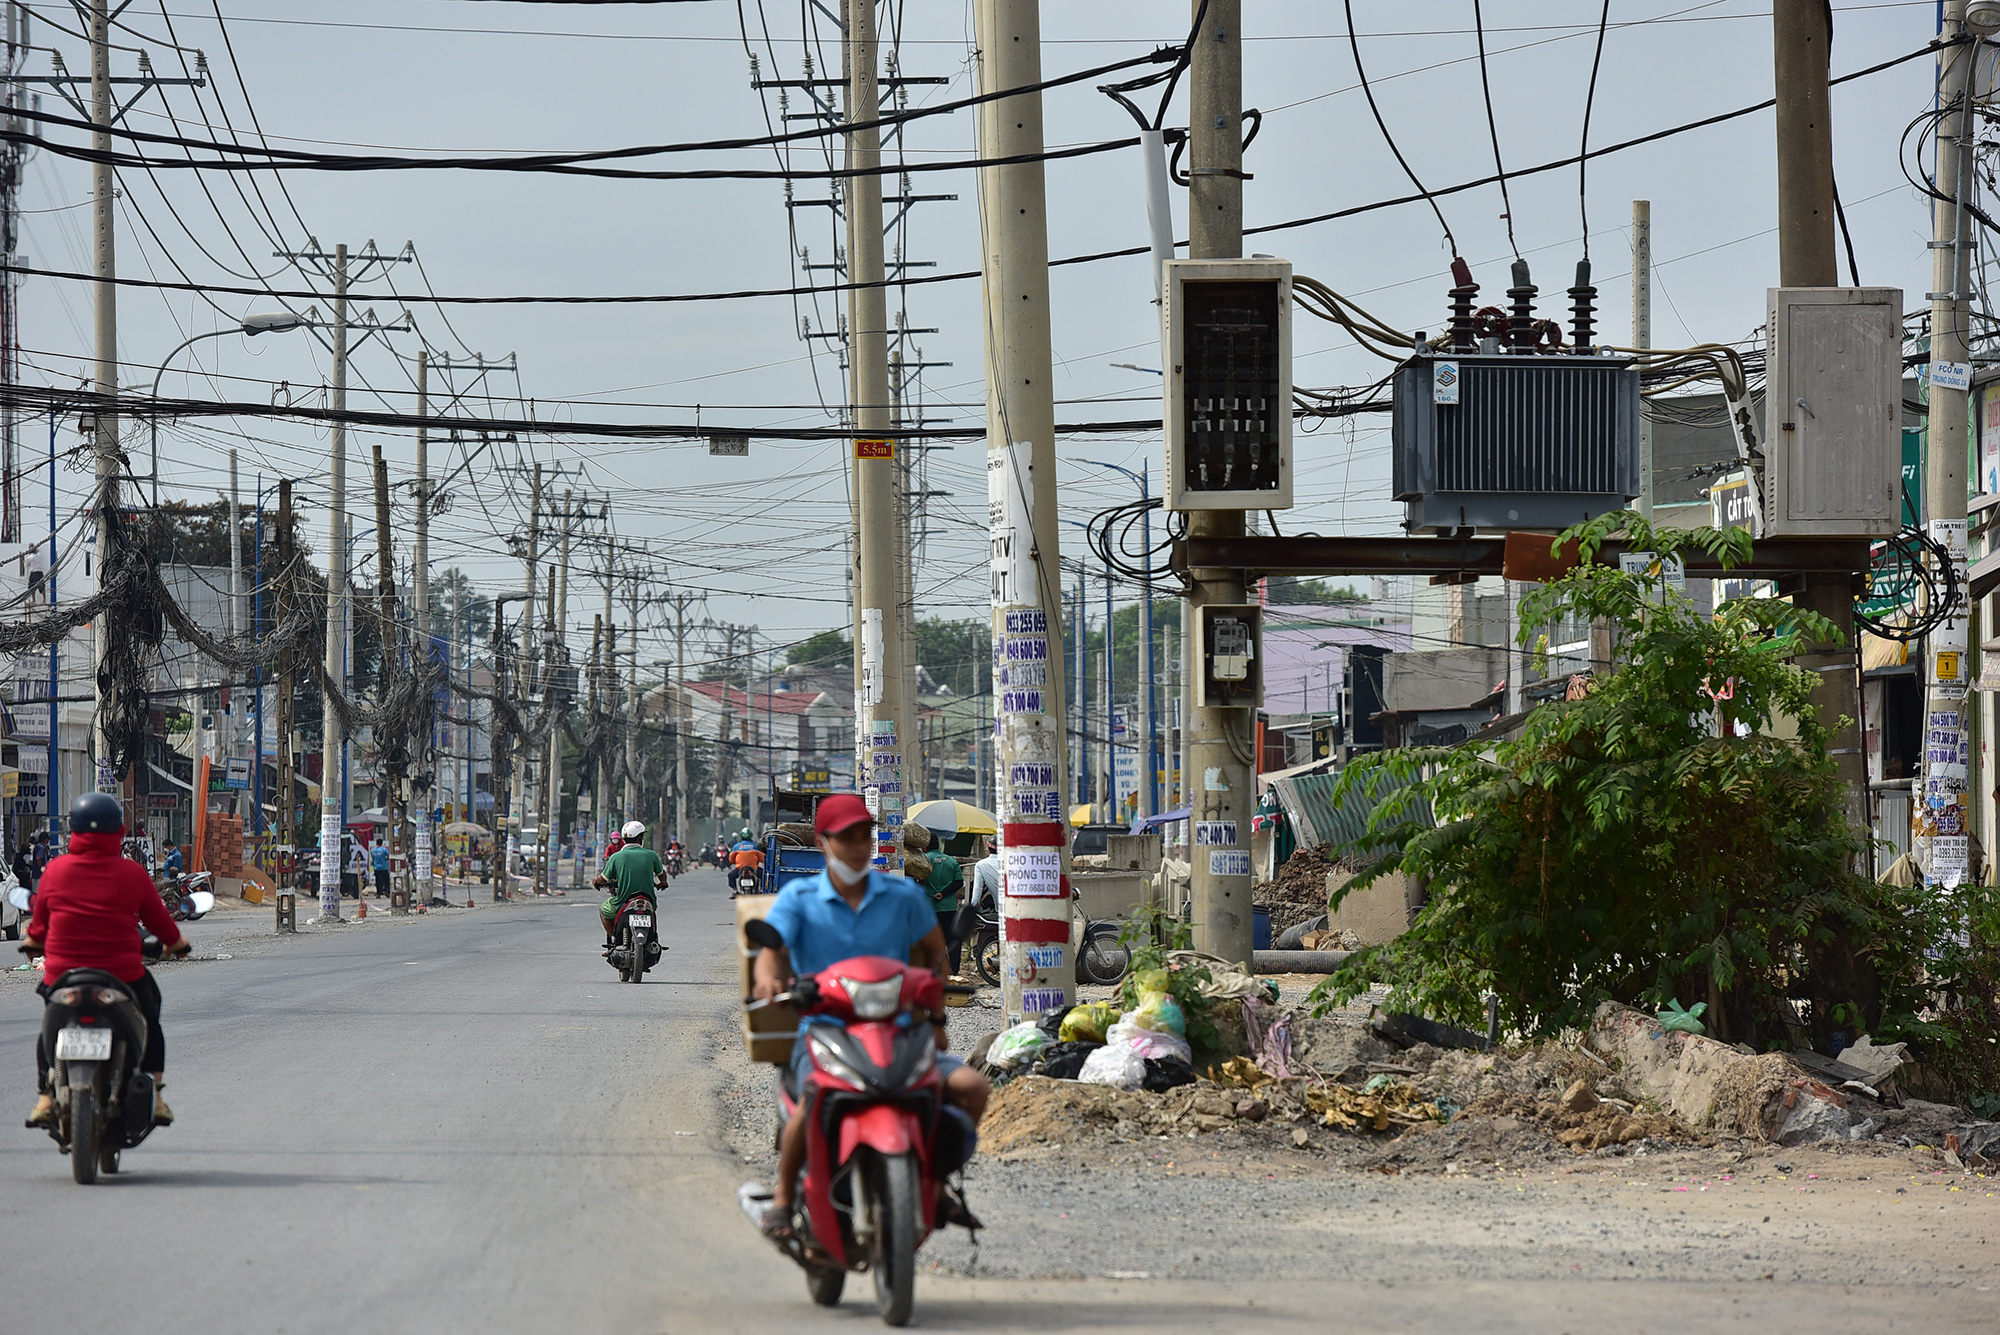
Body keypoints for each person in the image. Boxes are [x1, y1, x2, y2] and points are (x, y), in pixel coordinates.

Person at [751, 793, 989, 1238]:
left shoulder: (904, 895)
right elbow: (771, 952)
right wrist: (768, 981)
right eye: (847, 837)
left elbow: (935, 958)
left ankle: (936, 1183)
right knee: (812, 1100)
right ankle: (782, 1198)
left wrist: (936, 1020)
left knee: (972, 1089)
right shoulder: (799, 897)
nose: (859, 846)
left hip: (901, 1029)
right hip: (826, 1030)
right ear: (822, 843)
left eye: (865, 835)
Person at [24, 792, 191, 1129]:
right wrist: (177, 944)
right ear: (119, 831)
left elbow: (38, 927)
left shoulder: (55, 871)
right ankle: (157, 1096)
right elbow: (161, 922)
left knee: (49, 1023)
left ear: (73, 830)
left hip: (63, 975)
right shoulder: (132, 873)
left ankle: (44, 1097)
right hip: (122, 975)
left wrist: (32, 944)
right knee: (151, 1017)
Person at [901, 823, 964, 977]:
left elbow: (915, 882)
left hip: (929, 909)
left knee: (930, 942)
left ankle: (932, 970)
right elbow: (959, 882)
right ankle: (954, 970)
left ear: (925, 847)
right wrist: (943, 893)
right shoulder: (951, 861)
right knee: (952, 941)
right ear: (939, 845)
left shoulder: (921, 861)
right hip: (949, 908)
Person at [594, 819, 667, 948]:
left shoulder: (616, 857)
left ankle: (614, 939)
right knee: (652, 912)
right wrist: (662, 883)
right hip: (648, 901)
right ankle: (653, 938)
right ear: (639, 838)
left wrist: (596, 882)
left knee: (604, 910)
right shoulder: (652, 855)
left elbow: (603, 879)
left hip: (623, 901)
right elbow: (662, 874)